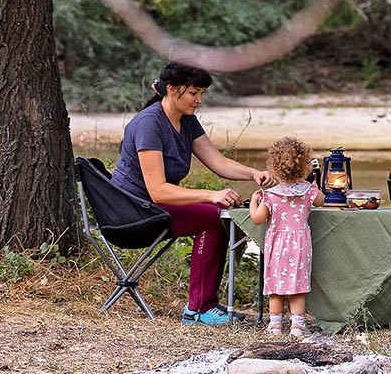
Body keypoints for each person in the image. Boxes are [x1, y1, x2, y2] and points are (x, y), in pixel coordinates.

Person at [110, 62, 270, 326]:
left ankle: (205, 304)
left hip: (154, 206)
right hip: (132, 212)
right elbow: (158, 190)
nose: (199, 100)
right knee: (212, 217)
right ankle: (197, 310)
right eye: (194, 93)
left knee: (218, 215)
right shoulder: (150, 124)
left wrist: (253, 173)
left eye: (202, 94)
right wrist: (210, 195)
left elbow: (217, 161)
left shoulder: (187, 120)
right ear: (172, 90)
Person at [248, 135, 324, 337]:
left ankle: (274, 325)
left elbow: (257, 218)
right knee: (297, 285)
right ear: (303, 165)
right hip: (300, 243)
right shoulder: (308, 191)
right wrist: (314, 183)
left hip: (278, 244)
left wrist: (253, 202)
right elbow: (322, 201)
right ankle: (297, 325)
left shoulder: (270, 195)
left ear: (274, 165)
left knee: (276, 285)